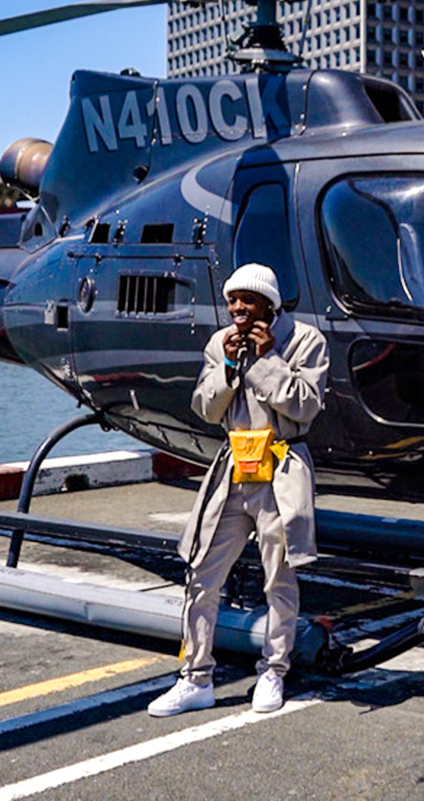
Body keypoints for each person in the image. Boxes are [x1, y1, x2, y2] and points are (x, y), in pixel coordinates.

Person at [148, 263, 330, 717]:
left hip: (281, 468)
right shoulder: (219, 343)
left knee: (279, 580)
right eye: (232, 301)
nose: (237, 310)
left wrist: (267, 361)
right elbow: (206, 409)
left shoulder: (307, 341)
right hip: (232, 468)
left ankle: (274, 671)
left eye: (247, 301)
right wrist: (230, 365)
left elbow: (305, 407)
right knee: (201, 570)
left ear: (269, 303)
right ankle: (195, 678)